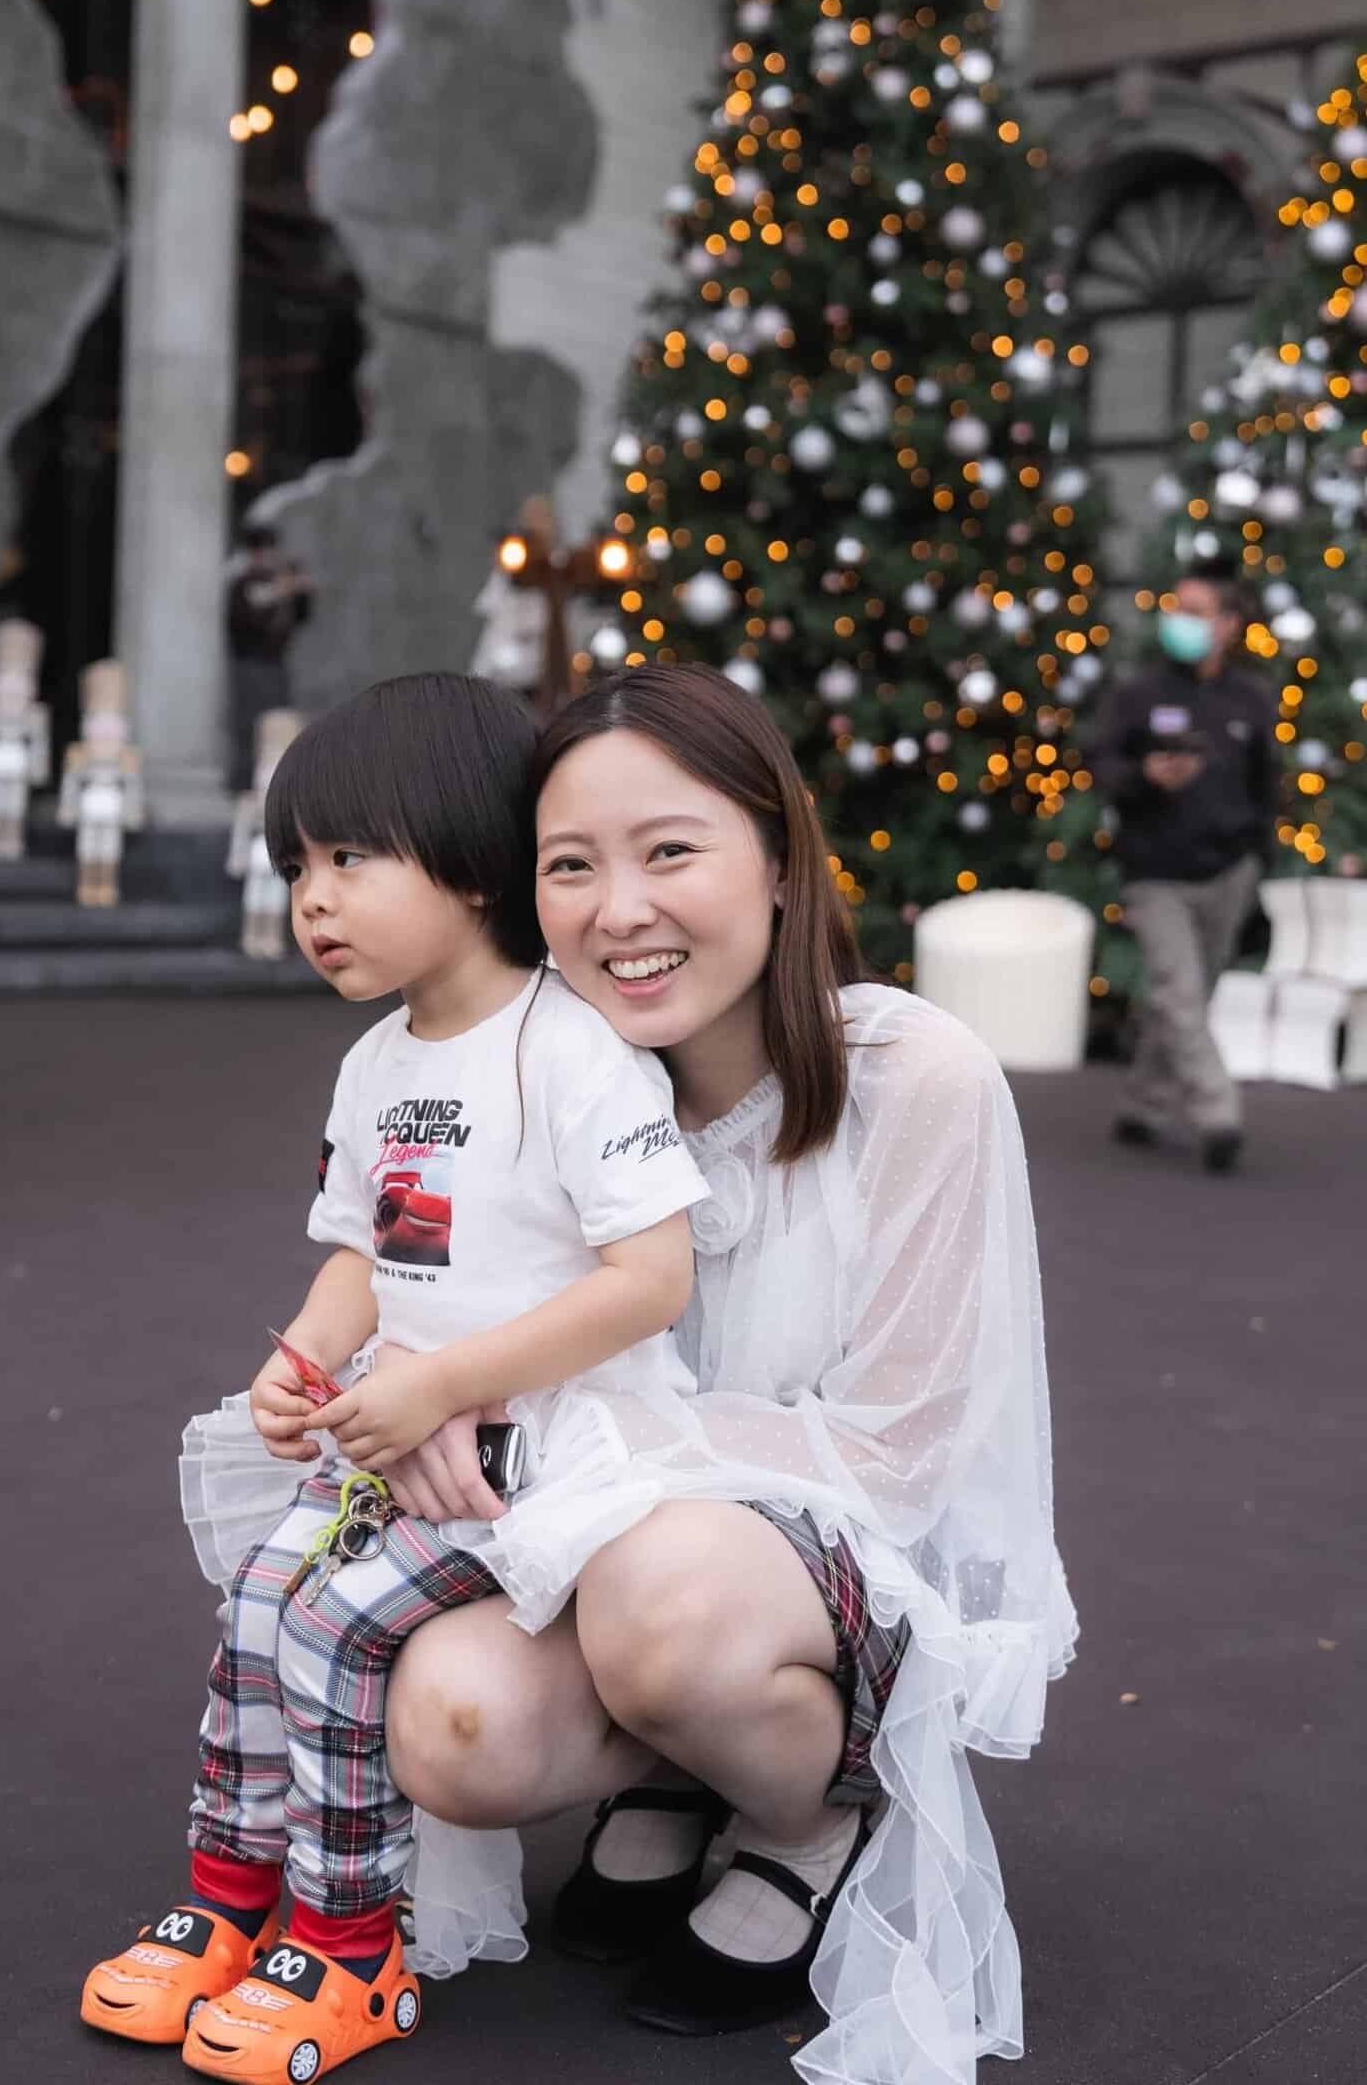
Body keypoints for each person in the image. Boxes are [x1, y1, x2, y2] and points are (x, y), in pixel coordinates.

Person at [378, 663, 1074, 2085]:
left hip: (820, 1577)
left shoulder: (914, 1076)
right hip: (605, 1545)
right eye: (571, 866)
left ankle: (808, 1820)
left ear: (778, 862)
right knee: (455, 1731)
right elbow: (410, 1283)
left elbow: (896, 1452)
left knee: (667, 1594)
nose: (619, 910)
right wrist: (415, 1375)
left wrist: (552, 1417)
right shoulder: (535, 1079)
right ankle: (685, 1765)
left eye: (670, 851)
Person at [82, 672, 710, 2083]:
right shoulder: (376, 1064)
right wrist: (302, 1361)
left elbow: (650, 1279)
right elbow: (368, 1250)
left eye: (351, 858)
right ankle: (232, 1901)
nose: (315, 900)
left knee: (333, 1624)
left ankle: (351, 1944)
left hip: (546, 1449)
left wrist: (446, 1382)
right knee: (259, 1603)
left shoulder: (572, 1051)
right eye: (297, 868)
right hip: (402, 1430)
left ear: (475, 862)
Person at [1091, 559, 1277, 1172]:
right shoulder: (1138, 694)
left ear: (1228, 624)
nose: (1179, 621)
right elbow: (1102, 767)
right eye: (1176, 608)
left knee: (1185, 1001)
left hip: (1228, 872)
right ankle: (1218, 1114)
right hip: (1155, 874)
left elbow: (1267, 786)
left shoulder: (1251, 699)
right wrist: (1147, 776)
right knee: (1180, 991)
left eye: (1195, 612)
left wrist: (1258, 861)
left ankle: (1142, 1104)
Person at [225, 521, 311, 789]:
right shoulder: (243, 584)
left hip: (275, 663)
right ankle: (244, 782)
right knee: (248, 723)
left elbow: (301, 616)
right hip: (249, 662)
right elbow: (246, 617)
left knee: (278, 719)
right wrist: (279, 590)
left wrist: (297, 590)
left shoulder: (278, 580)